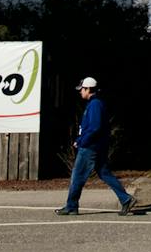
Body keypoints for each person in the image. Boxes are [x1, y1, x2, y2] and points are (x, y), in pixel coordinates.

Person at [55, 77, 137, 216]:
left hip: (90, 147)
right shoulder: (96, 104)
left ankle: (71, 206)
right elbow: (92, 127)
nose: (80, 92)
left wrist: (82, 141)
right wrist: (80, 139)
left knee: (77, 176)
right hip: (97, 145)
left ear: (88, 89)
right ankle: (125, 199)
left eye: (82, 89)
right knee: (104, 173)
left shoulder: (94, 105)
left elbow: (94, 127)